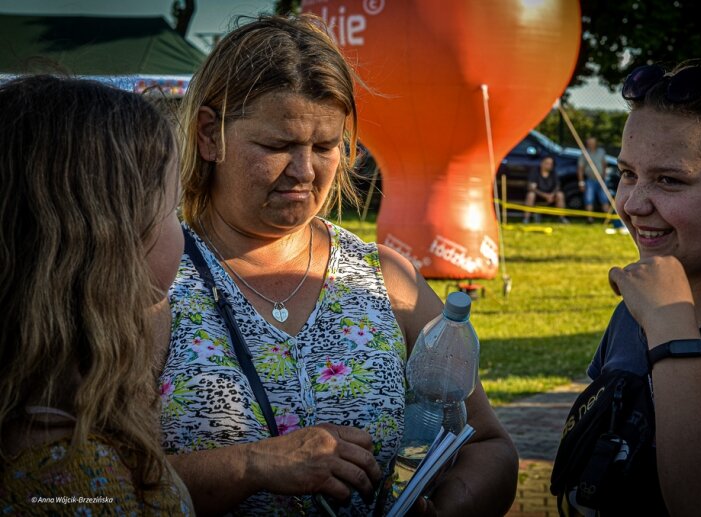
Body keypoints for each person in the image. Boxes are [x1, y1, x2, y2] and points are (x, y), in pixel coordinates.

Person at [158, 14, 518, 516]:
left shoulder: (387, 280)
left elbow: (487, 446)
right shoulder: (154, 277)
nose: (305, 171)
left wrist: (447, 506)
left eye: (326, 146)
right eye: (277, 146)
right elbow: (92, 482)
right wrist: (253, 466)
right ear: (208, 136)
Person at [577, 61, 701, 515]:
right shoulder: (635, 311)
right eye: (627, 173)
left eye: (669, 180)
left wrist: (671, 332)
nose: (632, 204)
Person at [0, 76, 191, 514]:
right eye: (172, 211)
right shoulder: (77, 478)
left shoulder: (38, 405)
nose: (180, 231)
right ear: (114, 242)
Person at [522, 155, 569, 224]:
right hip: (538, 195)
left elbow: (557, 186)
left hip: (551, 196)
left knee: (560, 195)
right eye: (547, 163)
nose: (549, 165)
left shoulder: (553, 173)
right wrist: (545, 195)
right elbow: (531, 188)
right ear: (542, 163)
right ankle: (526, 218)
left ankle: (561, 218)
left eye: (551, 164)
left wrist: (552, 195)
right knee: (530, 194)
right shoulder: (535, 172)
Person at [577, 136, 610, 222]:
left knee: (605, 198)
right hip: (590, 180)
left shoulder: (601, 152)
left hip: (601, 180)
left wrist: (604, 175)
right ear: (587, 144)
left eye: (592, 143)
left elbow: (604, 164)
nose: (591, 144)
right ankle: (590, 219)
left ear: (596, 143)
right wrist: (581, 182)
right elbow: (580, 169)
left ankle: (607, 219)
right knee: (589, 199)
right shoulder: (584, 154)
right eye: (589, 143)